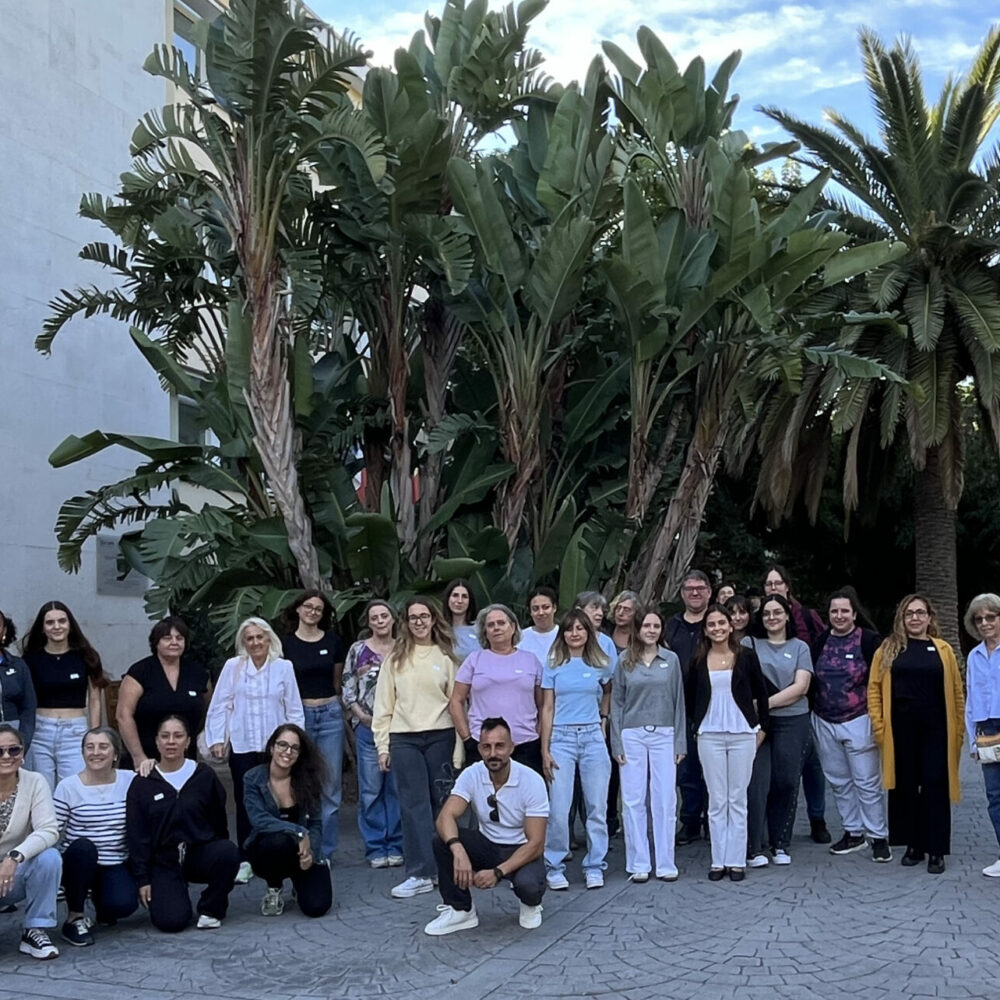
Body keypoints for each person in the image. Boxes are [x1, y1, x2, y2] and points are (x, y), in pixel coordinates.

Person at [868, 594, 965, 875]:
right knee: (906, 786)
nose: (915, 618)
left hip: (937, 729)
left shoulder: (943, 649)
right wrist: (879, 726)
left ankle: (936, 849)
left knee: (935, 785)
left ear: (929, 617)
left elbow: (957, 691)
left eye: (920, 613)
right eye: (909, 613)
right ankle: (913, 845)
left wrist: (959, 727)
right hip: (901, 730)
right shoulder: (888, 649)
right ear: (901, 617)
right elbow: (874, 689)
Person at [425, 717, 548, 935]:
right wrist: (458, 850)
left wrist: (497, 873)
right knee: (442, 840)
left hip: (522, 850)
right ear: (480, 749)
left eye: (499, 746)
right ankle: (461, 910)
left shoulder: (532, 780)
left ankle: (531, 903)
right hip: (488, 845)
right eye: (486, 747)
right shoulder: (472, 773)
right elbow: (445, 817)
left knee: (529, 886)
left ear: (511, 748)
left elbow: (536, 843)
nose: (493, 753)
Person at [204, 617, 304, 884]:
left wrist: (296, 743)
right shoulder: (233, 667)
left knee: (281, 797)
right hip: (244, 744)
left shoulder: (283, 667)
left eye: (260, 637)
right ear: (243, 642)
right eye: (250, 638)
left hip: (277, 748)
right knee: (245, 800)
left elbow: (294, 708)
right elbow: (220, 704)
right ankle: (247, 858)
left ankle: (284, 851)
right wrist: (217, 739)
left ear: (269, 638)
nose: (256, 642)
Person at [372, 598, 461, 900]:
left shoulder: (447, 657)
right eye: (413, 617)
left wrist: (459, 751)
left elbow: (457, 706)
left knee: (443, 803)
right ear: (406, 623)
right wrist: (383, 747)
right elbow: (383, 706)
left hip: (441, 736)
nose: (419, 622)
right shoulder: (395, 659)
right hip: (404, 738)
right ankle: (420, 873)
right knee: (413, 806)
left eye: (425, 616)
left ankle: (447, 867)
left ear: (434, 619)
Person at [126, 715, 239, 931]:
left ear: (187, 742)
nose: (171, 742)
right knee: (172, 922)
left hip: (198, 854)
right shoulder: (143, 782)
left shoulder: (204, 776)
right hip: (163, 861)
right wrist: (143, 879)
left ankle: (210, 908)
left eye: (178, 736)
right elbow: (137, 835)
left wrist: (220, 860)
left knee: (227, 852)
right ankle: (174, 894)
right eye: (165, 736)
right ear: (156, 741)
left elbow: (218, 821)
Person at [687, 605, 769, 882]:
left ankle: (736, 861)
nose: (717, 628)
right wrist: (697, 727)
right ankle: (718, 860)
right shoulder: (698, 661)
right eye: (711, 624)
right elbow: (691, 699)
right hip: (709, 734)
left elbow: (762, 695)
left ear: (731, 626)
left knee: (737, 798)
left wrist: (762, 729)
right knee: (717, 799)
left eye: (722, 623)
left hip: (742, 733)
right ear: (705, 630)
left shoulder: (746, 656)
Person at [811, 589, 889, 862]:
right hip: (824, 720)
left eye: (845, 610)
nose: (839, 615)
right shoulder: (820, 642)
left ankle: (878, 836)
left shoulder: (869, 641)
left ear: (855, 614)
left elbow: (882, 679)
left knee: (867, 782)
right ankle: (853, 833)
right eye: (834, 611)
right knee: (839, 781)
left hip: (859, 719)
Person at [610, 607, 686, 882]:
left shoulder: (671, 660)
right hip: (632, 734)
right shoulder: (624, 660)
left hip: (664, 734)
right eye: (646, 626)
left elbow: (679, 701)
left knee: (665, 799)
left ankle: (665, 863)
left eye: (656, 626)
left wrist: (680, 742)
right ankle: (639, 863)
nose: (651, 631)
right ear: (638, 629)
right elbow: (617, 703)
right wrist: (616, 742)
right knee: (633, 800)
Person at [539, 610, 613, 890]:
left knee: (597, 807)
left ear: (588, 632)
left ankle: (595, 865)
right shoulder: (553, 664)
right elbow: (547, 707)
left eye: (580, 628)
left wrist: (603, 719)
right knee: (559, 808)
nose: (575, 633)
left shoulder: (600, 663)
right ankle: (554, 865)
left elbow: (608, 690)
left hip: (592, 736)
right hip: (561, 738)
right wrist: (545, 748)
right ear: (563, 634)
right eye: (569, 629)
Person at [743, 593, 813, 866]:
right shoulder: (749, 644)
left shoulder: (800, 647)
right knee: (756, 784)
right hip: (757, 724)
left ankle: (780, 843)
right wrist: (759, 710)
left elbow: (801, 687)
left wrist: (765, 703)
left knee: (786, 781)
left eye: (777, 612)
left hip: (792, 720)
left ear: (787, 616)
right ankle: (755, 846)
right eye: (766, 613)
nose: (772, 617)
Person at [763, 565, 830, 844]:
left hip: (805, 700)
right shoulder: (761, 622)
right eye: (769, 584)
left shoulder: (806, 616)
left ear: (787, 585)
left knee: (811, 765)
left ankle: (817, 818)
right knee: (781, 769)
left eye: (778, 582)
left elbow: (823, 644)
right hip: (772, 709)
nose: (774, 587)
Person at [53, 727, 138, 946]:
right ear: (83, 753)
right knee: (83, 848)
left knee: (123, 905)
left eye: (103, 747)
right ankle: (74, 917)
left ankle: (103, 905)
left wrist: (149, 764)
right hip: (78, 861)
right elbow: (52, 830)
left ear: (115, 753)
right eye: (89, 747)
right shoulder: (68, 787)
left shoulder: (130, 780)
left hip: (114, 860)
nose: (96, 752)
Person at [279, 590, 346, 863]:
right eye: (308, 606)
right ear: (297, 609)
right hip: (299, 716)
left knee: (330, 784)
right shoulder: (284, 645)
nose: (313, 612)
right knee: (298, 781)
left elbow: (337, 682)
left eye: (318, 609)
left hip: (329, 713)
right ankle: (300, 846)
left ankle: (323, 852)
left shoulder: (333, 641)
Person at [243, 724, 333, 918]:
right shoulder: (253, 778)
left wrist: (311, 853)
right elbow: (259, 819)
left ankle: (299, 882)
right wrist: (299, 832)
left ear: (300, 754)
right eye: (282, 745)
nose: (288, 751)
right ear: (272, 748)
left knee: (317, 906)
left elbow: (315, 822)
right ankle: (274, 886)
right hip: (270, 847)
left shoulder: (309, 780)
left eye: (294, 748)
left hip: (303, 850)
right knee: (277, 841)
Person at [342, 600, 403, 869]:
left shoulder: (403, 648)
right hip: (367, 727)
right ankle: (376, 846)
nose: (380, 621)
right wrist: (361, 716)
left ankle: (397, 844)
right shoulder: (358, 650)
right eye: (374, 617)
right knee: (371, 789)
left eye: (384, 616)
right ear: (369, 623)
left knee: (396, 788)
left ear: (393, 619)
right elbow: (348, 686)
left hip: (399, 727)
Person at [21, 602, 106, 790]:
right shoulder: (30, 660)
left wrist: (94, 734)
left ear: (70, 624)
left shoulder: (87, 656)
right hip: (40, 732)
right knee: (42, 790)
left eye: (62, 621)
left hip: (75, 732)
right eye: (50, 622)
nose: (57, 626)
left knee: (73, 789)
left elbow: (94, 699)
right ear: (42, 628)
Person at [450, 604, 544, 775]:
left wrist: (538, 734)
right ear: (485, 632)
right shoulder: (474, 660)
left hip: (526, 744)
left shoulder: (531, 661)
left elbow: (542, 704)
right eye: (490, 625)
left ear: (513, 627)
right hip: (484, 746)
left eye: (501, 623)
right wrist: (467, 738)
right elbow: (456, 700)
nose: (496, 628)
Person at [0, 723, 62, 959]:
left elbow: (49, 830)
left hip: (12, 876)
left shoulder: (35, 781)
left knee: (49, 857)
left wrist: (14, 857)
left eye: (13, 750)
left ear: (23, 752)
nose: (7, 756)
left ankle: (35, 929)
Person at [116, 617, 209, 771]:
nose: (174, 642)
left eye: (179, 638)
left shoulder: (197, 673)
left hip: (185, 758)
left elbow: (207, 710)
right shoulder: (140, 671)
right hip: (145, 759)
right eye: (167, 638)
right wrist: (138, 756)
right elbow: (123, 716)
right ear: (156, 642)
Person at [667, 569, 712, 845]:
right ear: (682, 594)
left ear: (709, 592)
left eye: (700, 588)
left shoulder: (716, 621)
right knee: (687, 770)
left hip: (713, 705)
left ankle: (713, 821)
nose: (695, 593)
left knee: (714, 769)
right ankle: (691, 821)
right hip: (680, 707)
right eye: (689, 589)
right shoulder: (671, 626)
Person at [574, 591, 621, 837]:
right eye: (593, 608)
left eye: (601, 609)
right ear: (579, 610)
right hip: (567, 720)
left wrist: (605, 718)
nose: (599, 613)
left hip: (596, 720)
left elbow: (611, 684)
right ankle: (567, 835)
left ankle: (597, 836)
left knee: (596, 782)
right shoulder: (564, 640)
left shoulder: (606, 643)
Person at [964, 594, 1000, 878]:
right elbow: (971, 699)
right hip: (987, 729)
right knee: (995, 796)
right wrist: (973, 740)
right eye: (979, 619)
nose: (985, 623)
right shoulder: (974, 656)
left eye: (991, 617)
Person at [0, 609, 36, 751]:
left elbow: (28, 708)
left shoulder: (18, 665)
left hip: (14, 738)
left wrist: (22, 743)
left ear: (4, 630)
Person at [519, 587, 559, 666]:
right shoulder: (520, 637)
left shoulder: (564, 634)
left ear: (554, 608)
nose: (541, 612)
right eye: (535, 609)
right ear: (530, 612)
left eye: (546, 607)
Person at [443, 580, 479, 661]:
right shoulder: (439, 629)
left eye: (464, 596)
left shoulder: (480, 629)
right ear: (448, 598)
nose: (459, 601)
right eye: (455, 595)